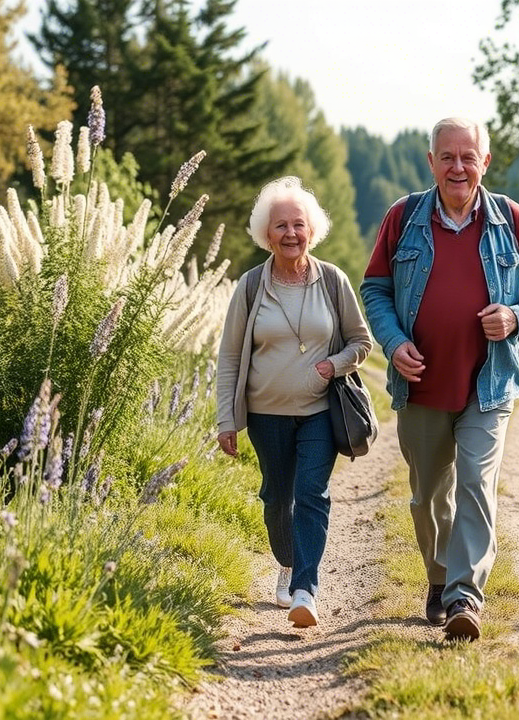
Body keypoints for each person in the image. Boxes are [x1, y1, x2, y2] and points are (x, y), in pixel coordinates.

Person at [360, 117, 519, 640]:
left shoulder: (513, 221)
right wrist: (393, 341)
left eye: (467, 157)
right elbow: (376, 289)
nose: (458, 167)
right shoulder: (402, 218)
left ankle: (463, 598)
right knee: (428, 493)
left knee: (476, 484)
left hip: (488, 385)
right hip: (421, 384)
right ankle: (438, 576)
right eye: (447, 157)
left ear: (484, 163)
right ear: (431, 162)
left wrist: (517, 315)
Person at [216, 176, 373, 628]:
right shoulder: (250, 287)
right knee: (276, 497)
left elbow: (360, 341)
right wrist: (227, 419)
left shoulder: (332, 280)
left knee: (311, 494)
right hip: (266, 415)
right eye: (280, 225)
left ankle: (306, 588)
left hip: (320, 412)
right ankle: (287, 562)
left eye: (298, 224)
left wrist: (335, 366)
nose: (290, 233)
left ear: (312, 230)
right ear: (267, 233)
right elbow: (229, 357)